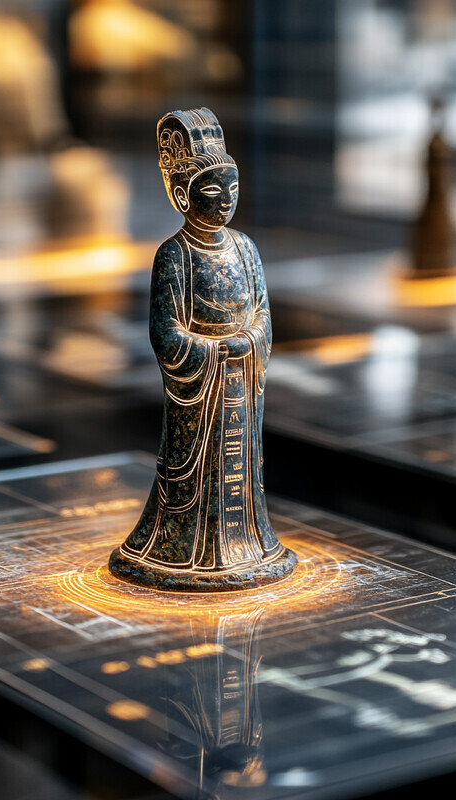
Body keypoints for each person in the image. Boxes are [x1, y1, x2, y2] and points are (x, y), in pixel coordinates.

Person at [109, 108, 296, 591]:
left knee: (241, 471)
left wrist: (247, 342)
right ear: (181, 195)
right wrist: (213, 350)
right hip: (204, 386)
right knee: (191, 472)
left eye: (233, 190)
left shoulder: (246, 249)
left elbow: (263, 318)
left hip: (239, 381)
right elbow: (164, 332)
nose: (226, 201)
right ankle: (182, 547)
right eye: (213, 192)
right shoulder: (174, 254)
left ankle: (246, 543)